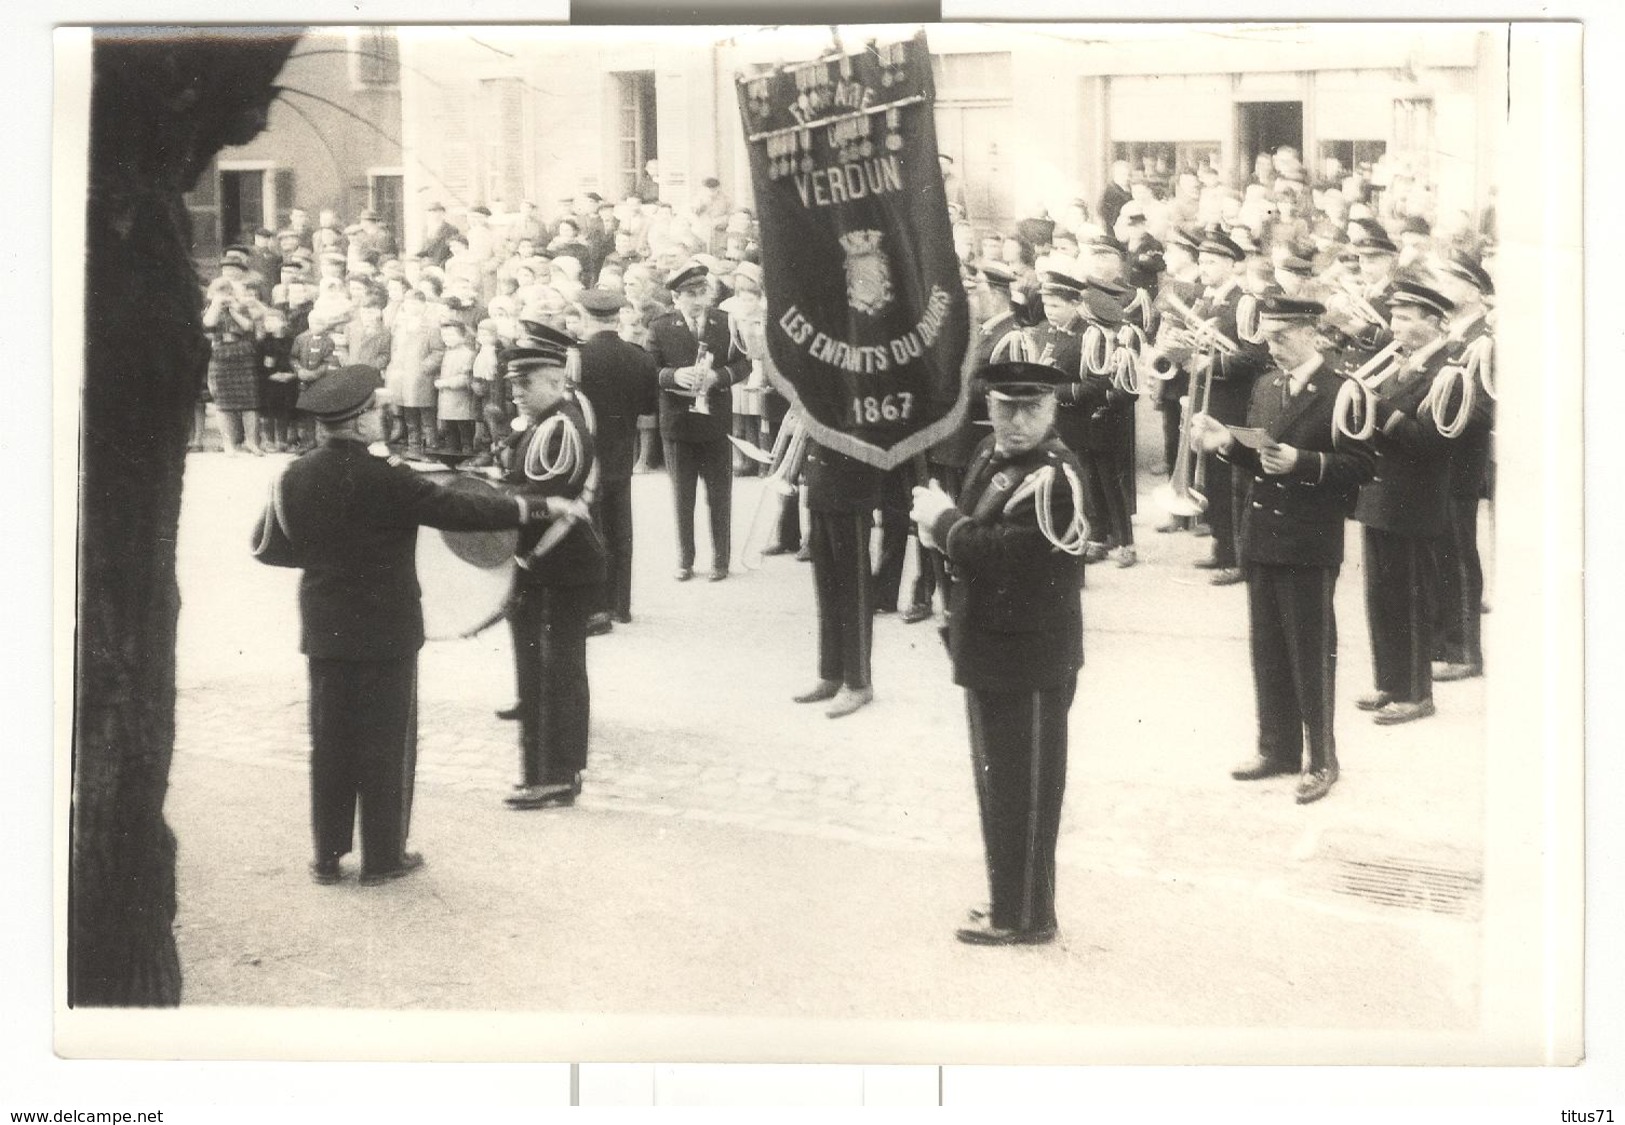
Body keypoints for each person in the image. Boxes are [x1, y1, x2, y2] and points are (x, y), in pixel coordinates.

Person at [252, 364, 538, 884]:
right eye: (377, 412)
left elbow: (271, 548)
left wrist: (327, 561)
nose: (385, 418)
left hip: (326, 626)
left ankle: (327, 856)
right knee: (386, 743)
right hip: (386, 628)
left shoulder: (294, 474)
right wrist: (529, 509)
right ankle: (383, 858)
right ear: (360, 424)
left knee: (331, 741)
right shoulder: (388, 477)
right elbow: (458, 511)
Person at [909, 361, 1086, 946]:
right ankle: (1009, 900)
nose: (1015, 421)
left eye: (1030, 408)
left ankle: (1028, 916)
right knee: (999, 785)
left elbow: (1013, 557)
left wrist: (945, 523)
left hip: (1030, 654)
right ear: (987, 407)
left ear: (1052, 409)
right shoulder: (989, 452)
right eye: (1005, 407)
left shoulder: (1055, 476)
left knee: (1026, 792)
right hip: (988, 644)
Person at [1190, 297, 1375, 805]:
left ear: (1312, 334)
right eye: (1268, 337)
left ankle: (1321, 758)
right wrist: (1225, 444)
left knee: (1311, 652)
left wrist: (1305, 462)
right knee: (1267, 647)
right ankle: (1276, 747)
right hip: (1264, 535)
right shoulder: (1266, 385)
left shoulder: (1344, 391)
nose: (1273, 348)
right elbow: (1259, 457)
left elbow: (1361, 467)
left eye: (1282, 337)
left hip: (1310, 538)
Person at [500, 326, 608, 809]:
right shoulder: (547, 422)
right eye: (513, 384)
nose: (517, 392)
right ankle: (556, 770)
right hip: (554, 564)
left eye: (526, 383)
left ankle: (554, 774)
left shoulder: (558, 427)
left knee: (551, 672)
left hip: (557, 563)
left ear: (555, 381)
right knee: (550, 668)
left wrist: (489, 505)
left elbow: (544, 499)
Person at [1349, 281, 1458, 726]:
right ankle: (1390, 682)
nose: (1396, 325)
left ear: (1434, 322)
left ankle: (1416, 693)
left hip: (1413, 500)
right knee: (1381, 596)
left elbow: (1433, 442)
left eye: (1407, 317)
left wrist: (1378, 411)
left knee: (1410, 597)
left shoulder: (1448, 373)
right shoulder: (1400, 364)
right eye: (1394, 316)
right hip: (1380, 495)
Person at [647, 263, 750, 581]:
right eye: (690, 294)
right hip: (678, 424)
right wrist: (674, 375)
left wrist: (719, 376)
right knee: (683, 496)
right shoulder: (661, 326)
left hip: (716, 421)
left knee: (720, 495)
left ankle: (721, 560)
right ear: (676, 298)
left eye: (702, 292)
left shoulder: (726, 322)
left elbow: (744, 363)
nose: (697, 300)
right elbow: (649, 369)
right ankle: (685, 560)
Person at [572, 289, 660, 630]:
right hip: (622, 451)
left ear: (586, 316)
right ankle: (621, 605)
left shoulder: (576, 357)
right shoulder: (639, 357)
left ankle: (595, 608)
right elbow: (648, 408)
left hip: (585, 455)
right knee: (621, 530)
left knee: (590, 528)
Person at [1427, 252, 1496, 681]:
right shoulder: (1450, 334)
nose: (1442, 286)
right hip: (1435, 461)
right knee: (1438, 554)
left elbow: (1485, 406)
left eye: (1449, 281)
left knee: (1456, 554)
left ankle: (1466, 652)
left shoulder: (1484, 340)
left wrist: (1431, 415)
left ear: (1471, 290)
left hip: (1457, 460)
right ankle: (1441, 643)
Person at [795, 439, 883, 719]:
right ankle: (831, 674)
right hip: (821, 480)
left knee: (852, 589)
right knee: (827, 588)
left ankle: (858, 682)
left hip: (851, 485)